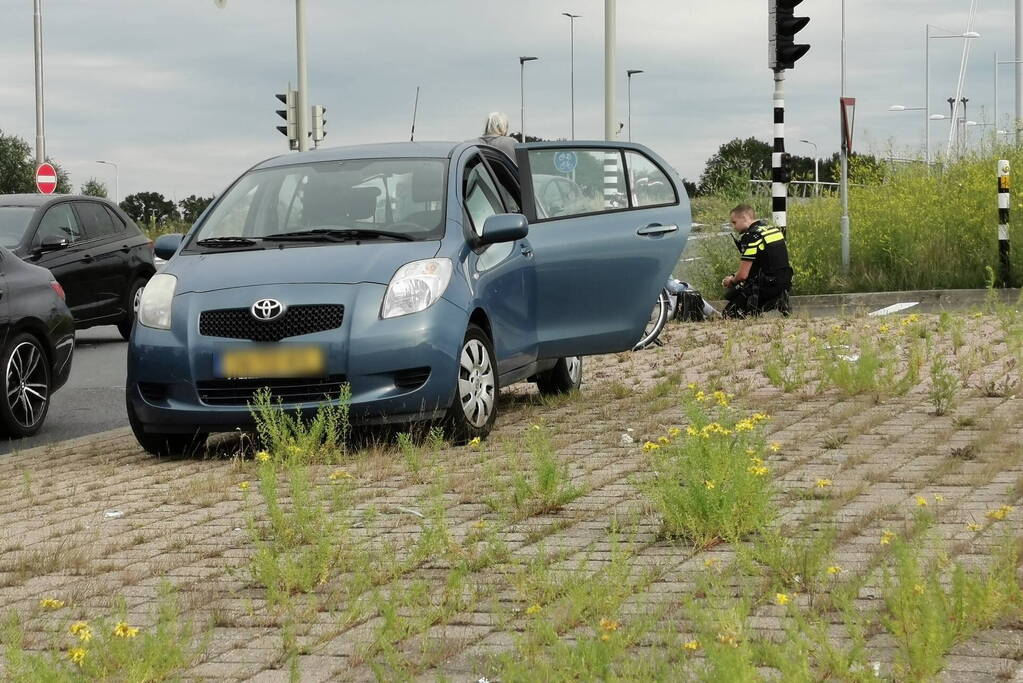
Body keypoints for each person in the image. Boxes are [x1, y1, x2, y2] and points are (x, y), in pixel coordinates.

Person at [721, 205, 792, 317]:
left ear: (745, 217)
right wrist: (735, 275)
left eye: (734, 222)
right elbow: (762, 264)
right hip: (784, 283)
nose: (734, 227)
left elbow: (743, 275)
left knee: (728, 314)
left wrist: (731, 281)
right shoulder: (773, 230)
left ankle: (769, 303)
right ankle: (778, 299)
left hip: (766, 286)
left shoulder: (751, 237)